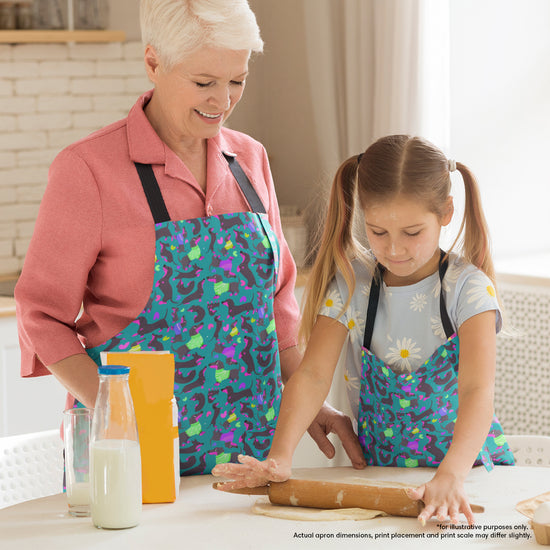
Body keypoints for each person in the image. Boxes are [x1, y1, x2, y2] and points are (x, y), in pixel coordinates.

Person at [15, 0, 362, 476]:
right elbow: (41, 314)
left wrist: (307, 403)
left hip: (249, 459)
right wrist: (112, 408)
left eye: (237, 80)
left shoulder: (250, 160)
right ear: (153, 62)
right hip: (130, 454)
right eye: (204, 83)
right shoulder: (89, 170)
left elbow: (277, 305)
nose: (223, 100)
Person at [212, 135, 515, 523]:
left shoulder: (468, 290)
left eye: (412, 232)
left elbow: (477, 391)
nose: (394, 250)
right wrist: (280, 455)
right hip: (382, 480)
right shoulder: (354, 284)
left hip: (466, 480)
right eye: (377, 232)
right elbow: (312, 375)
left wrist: (451, 475)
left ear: (446, 212)